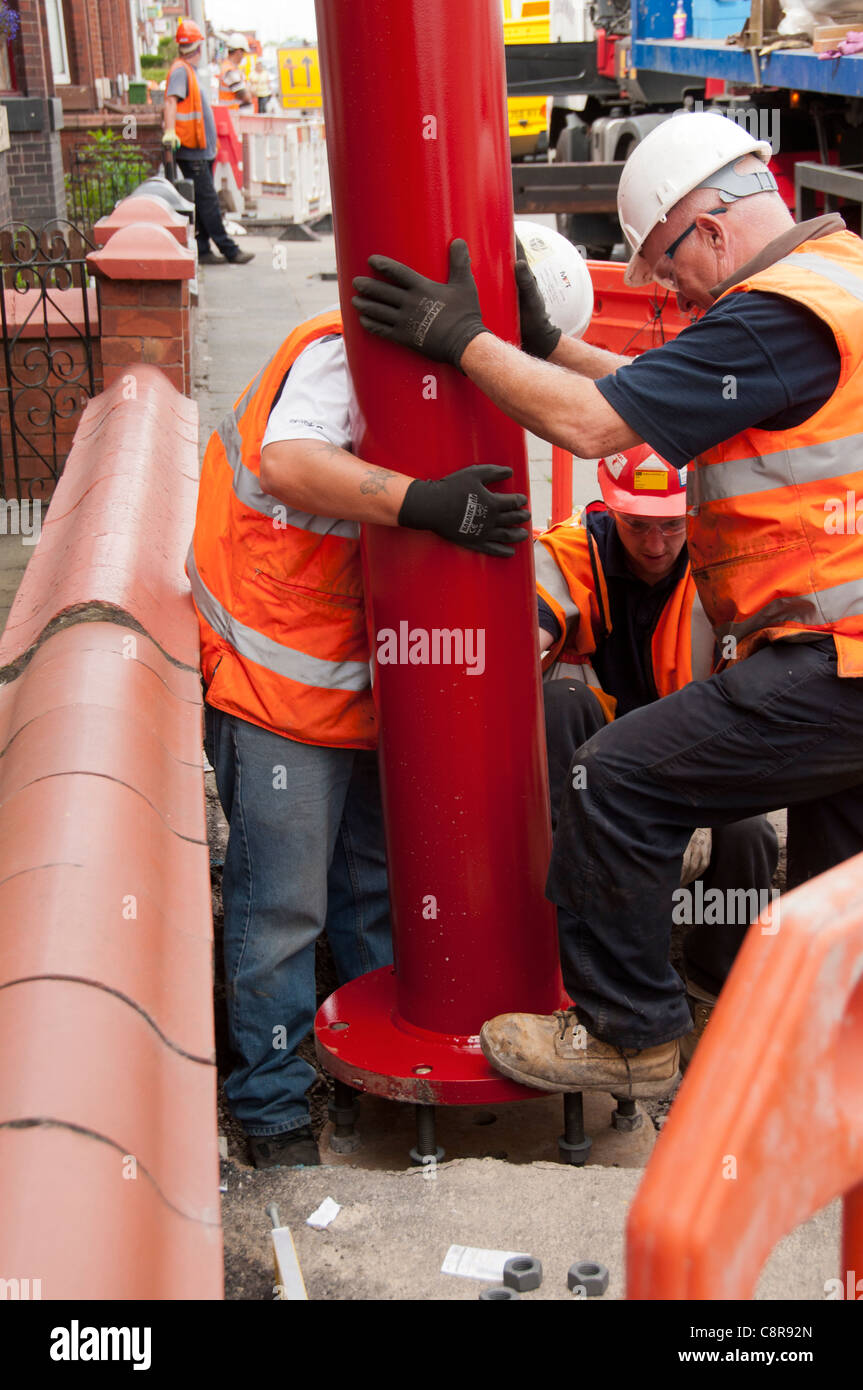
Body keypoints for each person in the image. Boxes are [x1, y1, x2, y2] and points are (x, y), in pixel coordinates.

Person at [352, 109, 863, 1098]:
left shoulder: (772, 313)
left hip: (834, 659)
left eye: (665, 265)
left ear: (708, 227)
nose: (662, 288)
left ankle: (629, 1033)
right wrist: (542, 344)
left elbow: (592, 427)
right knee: (833, 892)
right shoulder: (833, 280)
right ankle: (822, 1081)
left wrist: (459, 342)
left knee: (614, 778)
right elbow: (654, 391)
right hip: (842, 662)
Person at [186, 308, 531, 1166]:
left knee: (371, 891)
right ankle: (270, 1108)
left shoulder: (450, 375)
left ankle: (372, 1069)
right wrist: (424, 503)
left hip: (367, 688)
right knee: (281, 911)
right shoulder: (347, 357)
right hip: (276, 682)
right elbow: (289, 462)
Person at [536, 446, 777, 1061]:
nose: (655, 543)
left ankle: (711, 986)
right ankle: (569, 973)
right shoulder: (570, 554)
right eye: (638, 524)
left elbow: (748, 703)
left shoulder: (722, 566)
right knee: (562, 699)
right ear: (608, 506)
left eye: (672, 524)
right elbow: (530, 617)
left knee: (749, 835)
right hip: (586, 769)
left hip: (688, 760)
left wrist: (699, 803)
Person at [163, 19, 254, 266]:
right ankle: (229, 249)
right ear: (200, 47)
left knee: (202, 200)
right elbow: (171, 101)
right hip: (192, 150)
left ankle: (203, 249)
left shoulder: (186, 70)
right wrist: (170, 131)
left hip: (199, 149)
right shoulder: (181, 70)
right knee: (208, 200)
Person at [218, 34, 254, 112]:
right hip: (233, 116)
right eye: (243, 53)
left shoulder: (231, 68)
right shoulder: (230, 71)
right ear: (238, 52)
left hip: (233, 115)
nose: (243, 56)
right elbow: (246, 97)